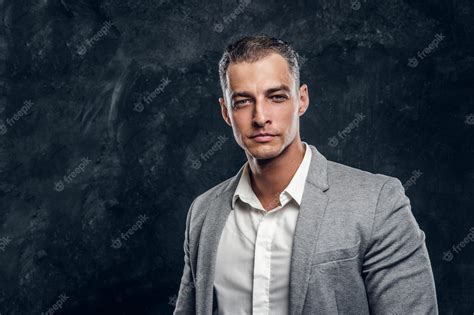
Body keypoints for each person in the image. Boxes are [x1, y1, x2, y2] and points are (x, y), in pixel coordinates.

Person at [173, 35, 438, 314]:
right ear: (226, 112)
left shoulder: (377, 203)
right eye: (242, 102)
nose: (260, 116)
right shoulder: (203, 213)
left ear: (301, 100)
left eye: (276, 97)